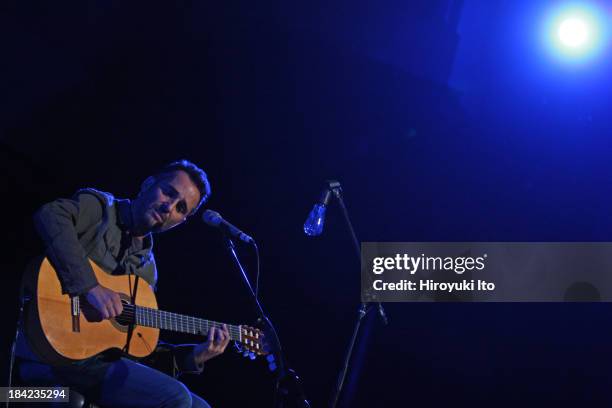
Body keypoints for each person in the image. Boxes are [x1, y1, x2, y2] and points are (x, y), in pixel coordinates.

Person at [15, 160, 229, 408]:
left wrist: (193, 356)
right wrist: (89, 287)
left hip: (92, 366)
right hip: (43, 351)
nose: (168, 206)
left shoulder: (147, 272)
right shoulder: (101, 209)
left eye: (181, 208)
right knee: (176, 397)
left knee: (201, 407)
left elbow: (133, 348)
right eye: (168, 192)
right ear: (148, 184)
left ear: (181, 221)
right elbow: (51, 215)